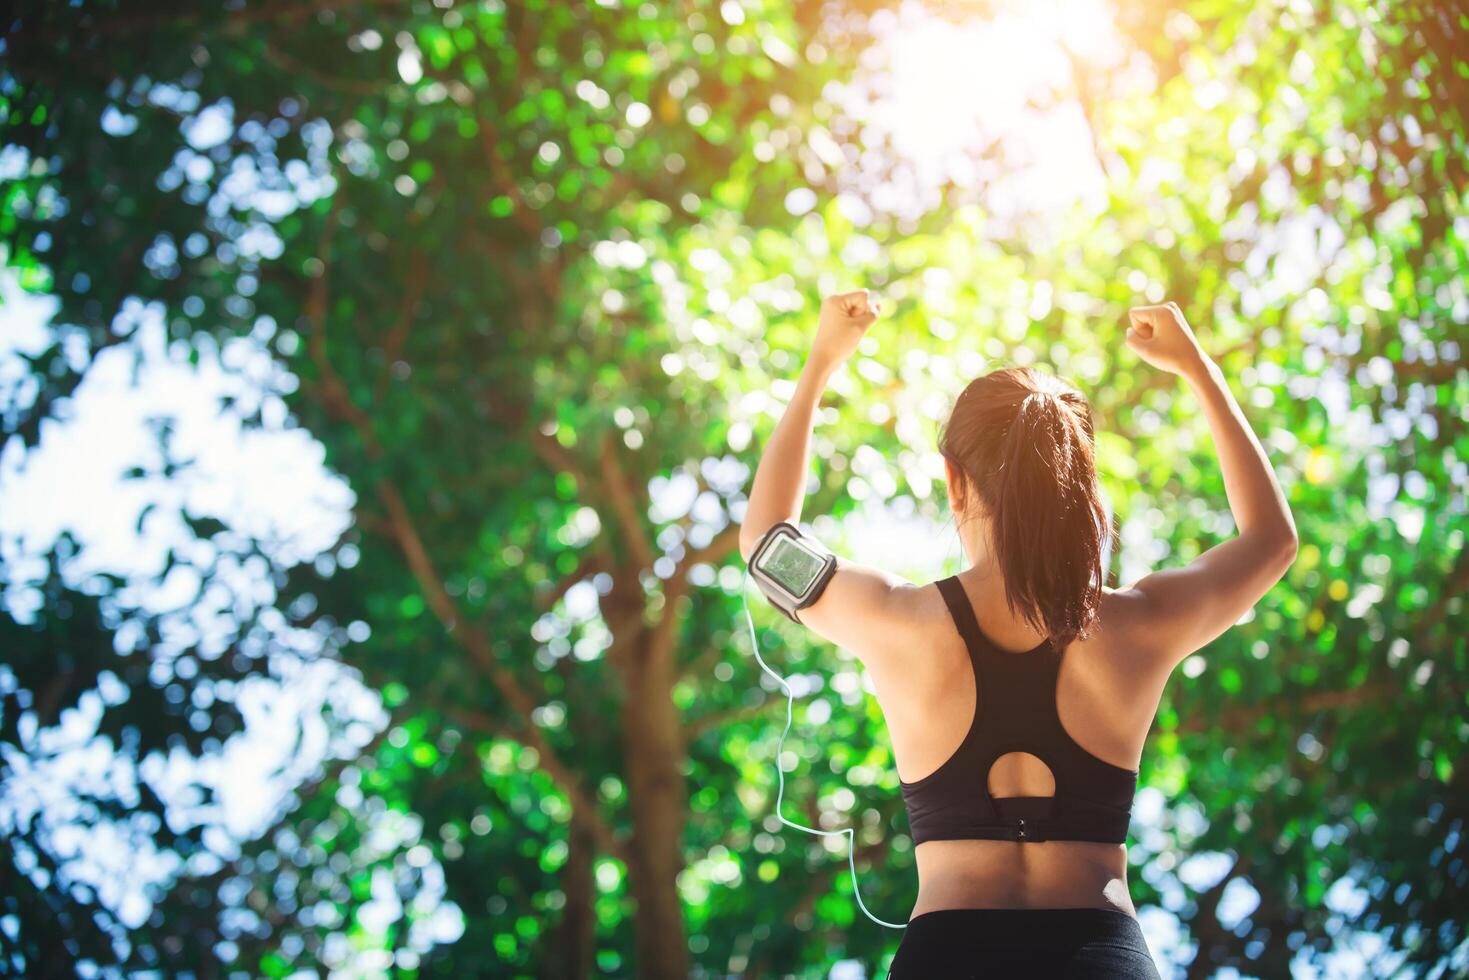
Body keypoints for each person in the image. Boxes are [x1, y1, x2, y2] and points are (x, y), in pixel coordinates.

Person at [737, 290, 1299, 978]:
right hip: (1102, 959)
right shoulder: (1138, 625)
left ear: (954, 482)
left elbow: (765, 541)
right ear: (1082, 487)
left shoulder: (896, 619)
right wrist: (1193, 367)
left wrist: (821, 363)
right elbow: (1270, 541)